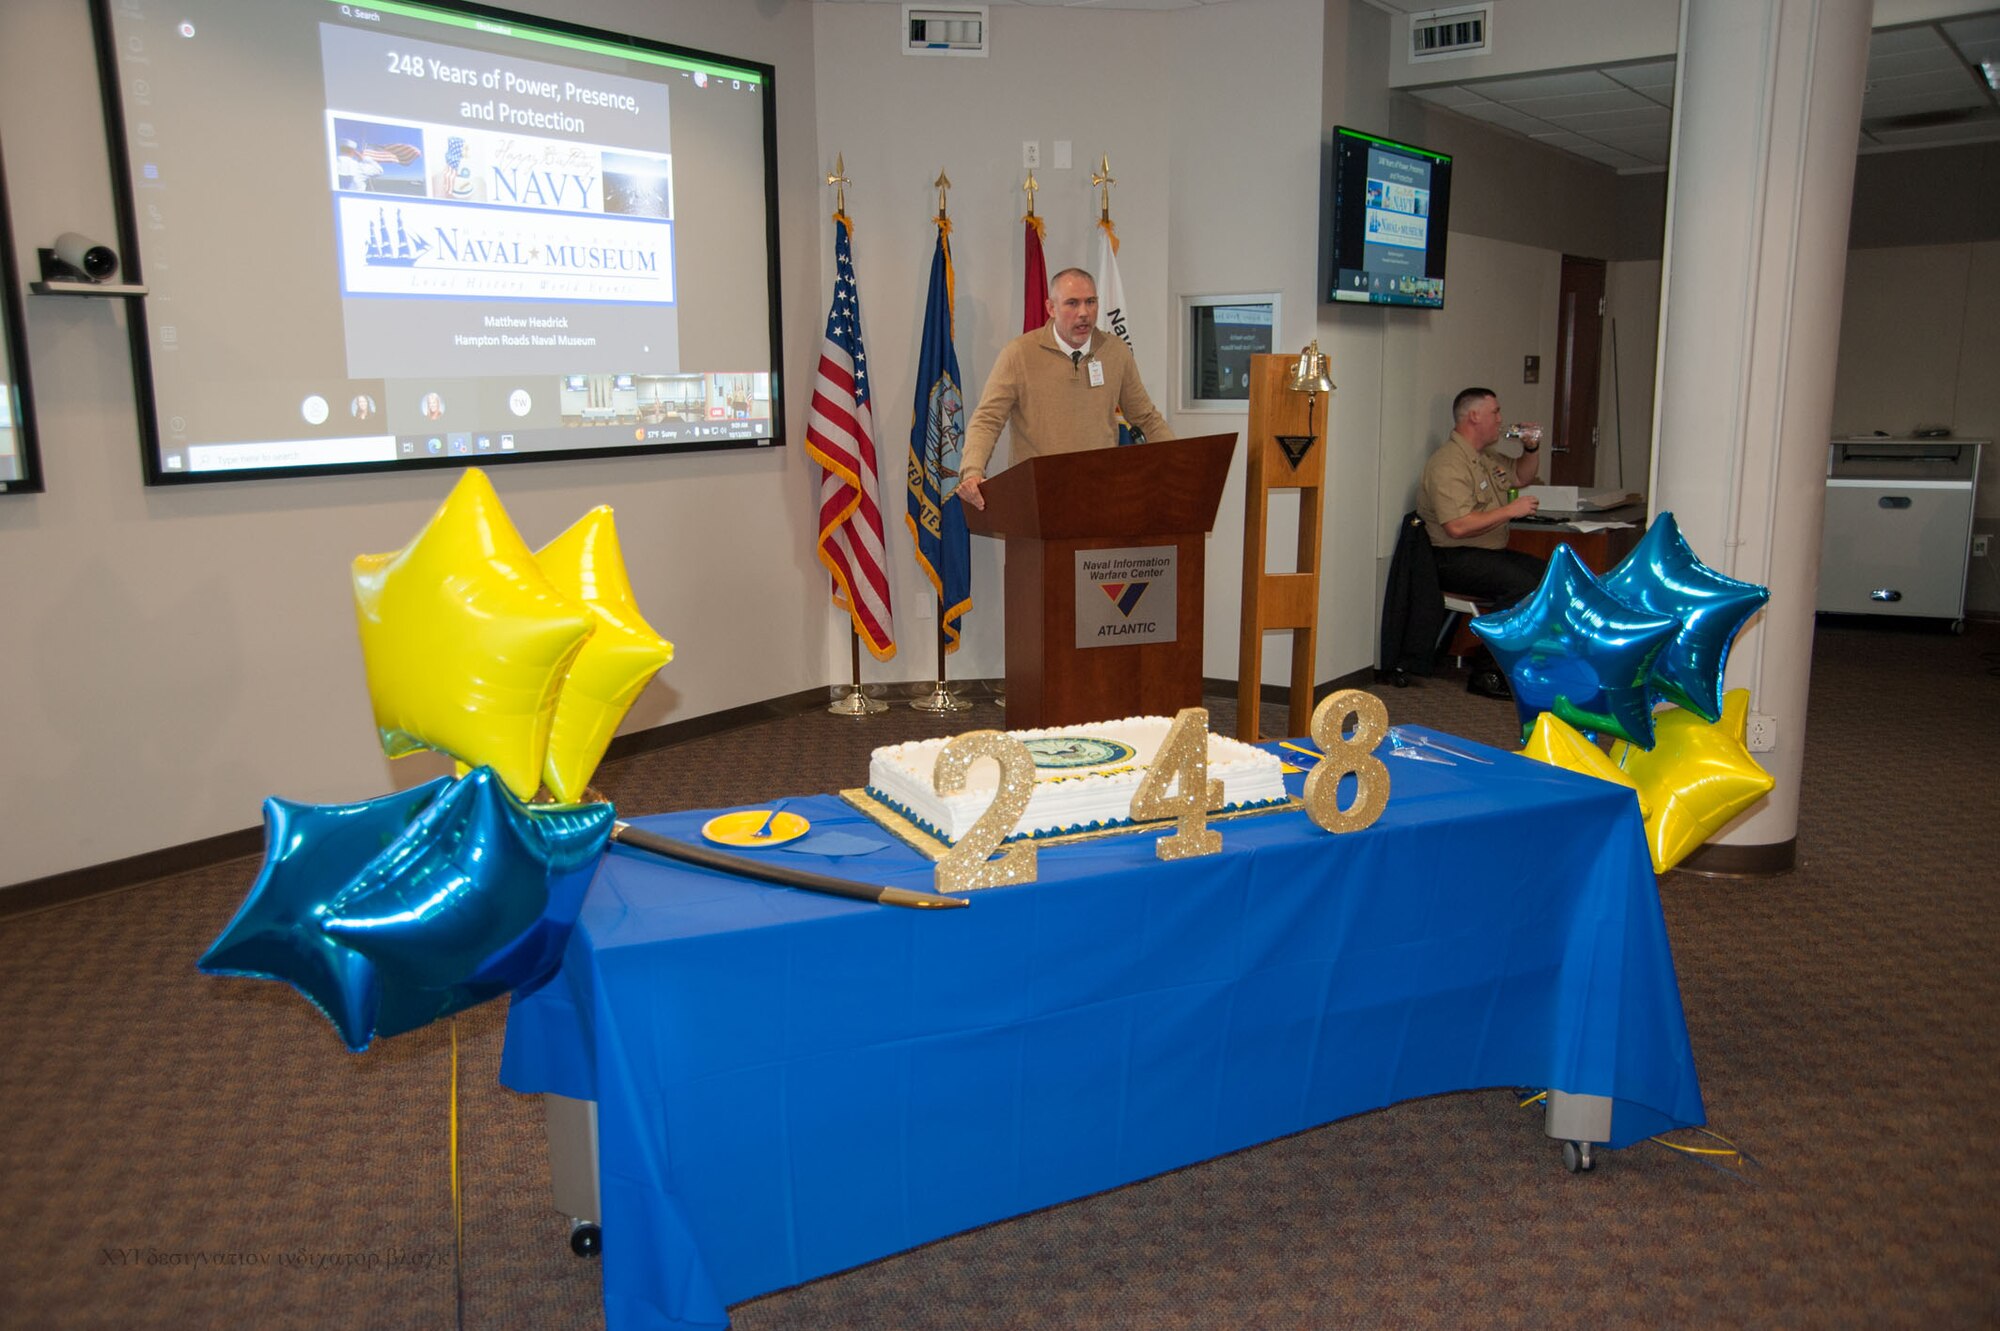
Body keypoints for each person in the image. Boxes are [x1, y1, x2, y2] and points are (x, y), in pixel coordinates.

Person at [954, 268, 1173, 510]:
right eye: (1072, 303)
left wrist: (1180, 463)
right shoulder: (1019, 354)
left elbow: (1145, 417)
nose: (1084, 313)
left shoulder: (1115, 351)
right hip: (1038, 499)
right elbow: (988, 419)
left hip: (1101, 495)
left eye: (1090, 302)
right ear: (1051, 308)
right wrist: (972, 472)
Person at [1416, 386, 1544, 698]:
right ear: (1474, 416)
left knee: (1548, 575)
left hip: (1485, 553)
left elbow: (1520, 477)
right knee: (1523, 585)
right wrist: (1511, 510)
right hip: (1453, 556)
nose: (1501, 420)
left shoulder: (1483, 457)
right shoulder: (1448, 463)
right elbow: (1457, 526)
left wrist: (1531, 449)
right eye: (1495, 412)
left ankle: (1519, 664)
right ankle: (1488, 671)